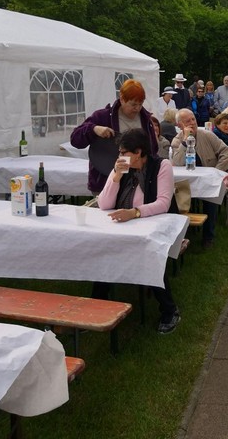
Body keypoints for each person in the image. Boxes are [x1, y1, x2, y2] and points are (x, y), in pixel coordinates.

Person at [95, 129, 181, 334]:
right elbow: (104, 204)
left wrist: (134, 212)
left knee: (150, 253)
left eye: (123, 152)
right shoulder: (122, 168)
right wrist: (116, 176)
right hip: (126, 226)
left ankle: (169, 310)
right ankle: (97, 304)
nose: (119, 156)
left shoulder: (161, 166)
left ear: (138, 152)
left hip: (158, 223)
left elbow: (163, 203)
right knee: (102, 248)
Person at [70, 79, 157, 193]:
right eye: (133, 104)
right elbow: (75, 140)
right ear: (122, 99)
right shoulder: (102, 117)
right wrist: (93, 129)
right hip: (106, 181)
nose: (137, 108)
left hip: (138, 184)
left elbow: (153, 150)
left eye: (140, 104)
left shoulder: (146, 120)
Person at [171, 109, 228, 248]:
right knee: (175, 199)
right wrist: (185, 142)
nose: (192, 123)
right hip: (185, 183)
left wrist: (216, 172)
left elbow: (226, 152)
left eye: (193, 119)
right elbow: (177, 162)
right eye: (187, 121)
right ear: (180, 125)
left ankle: (208, 236)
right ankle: (181, 235)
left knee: (210, 200)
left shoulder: (207, 135)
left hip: (207, 180)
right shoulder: (177, 140)